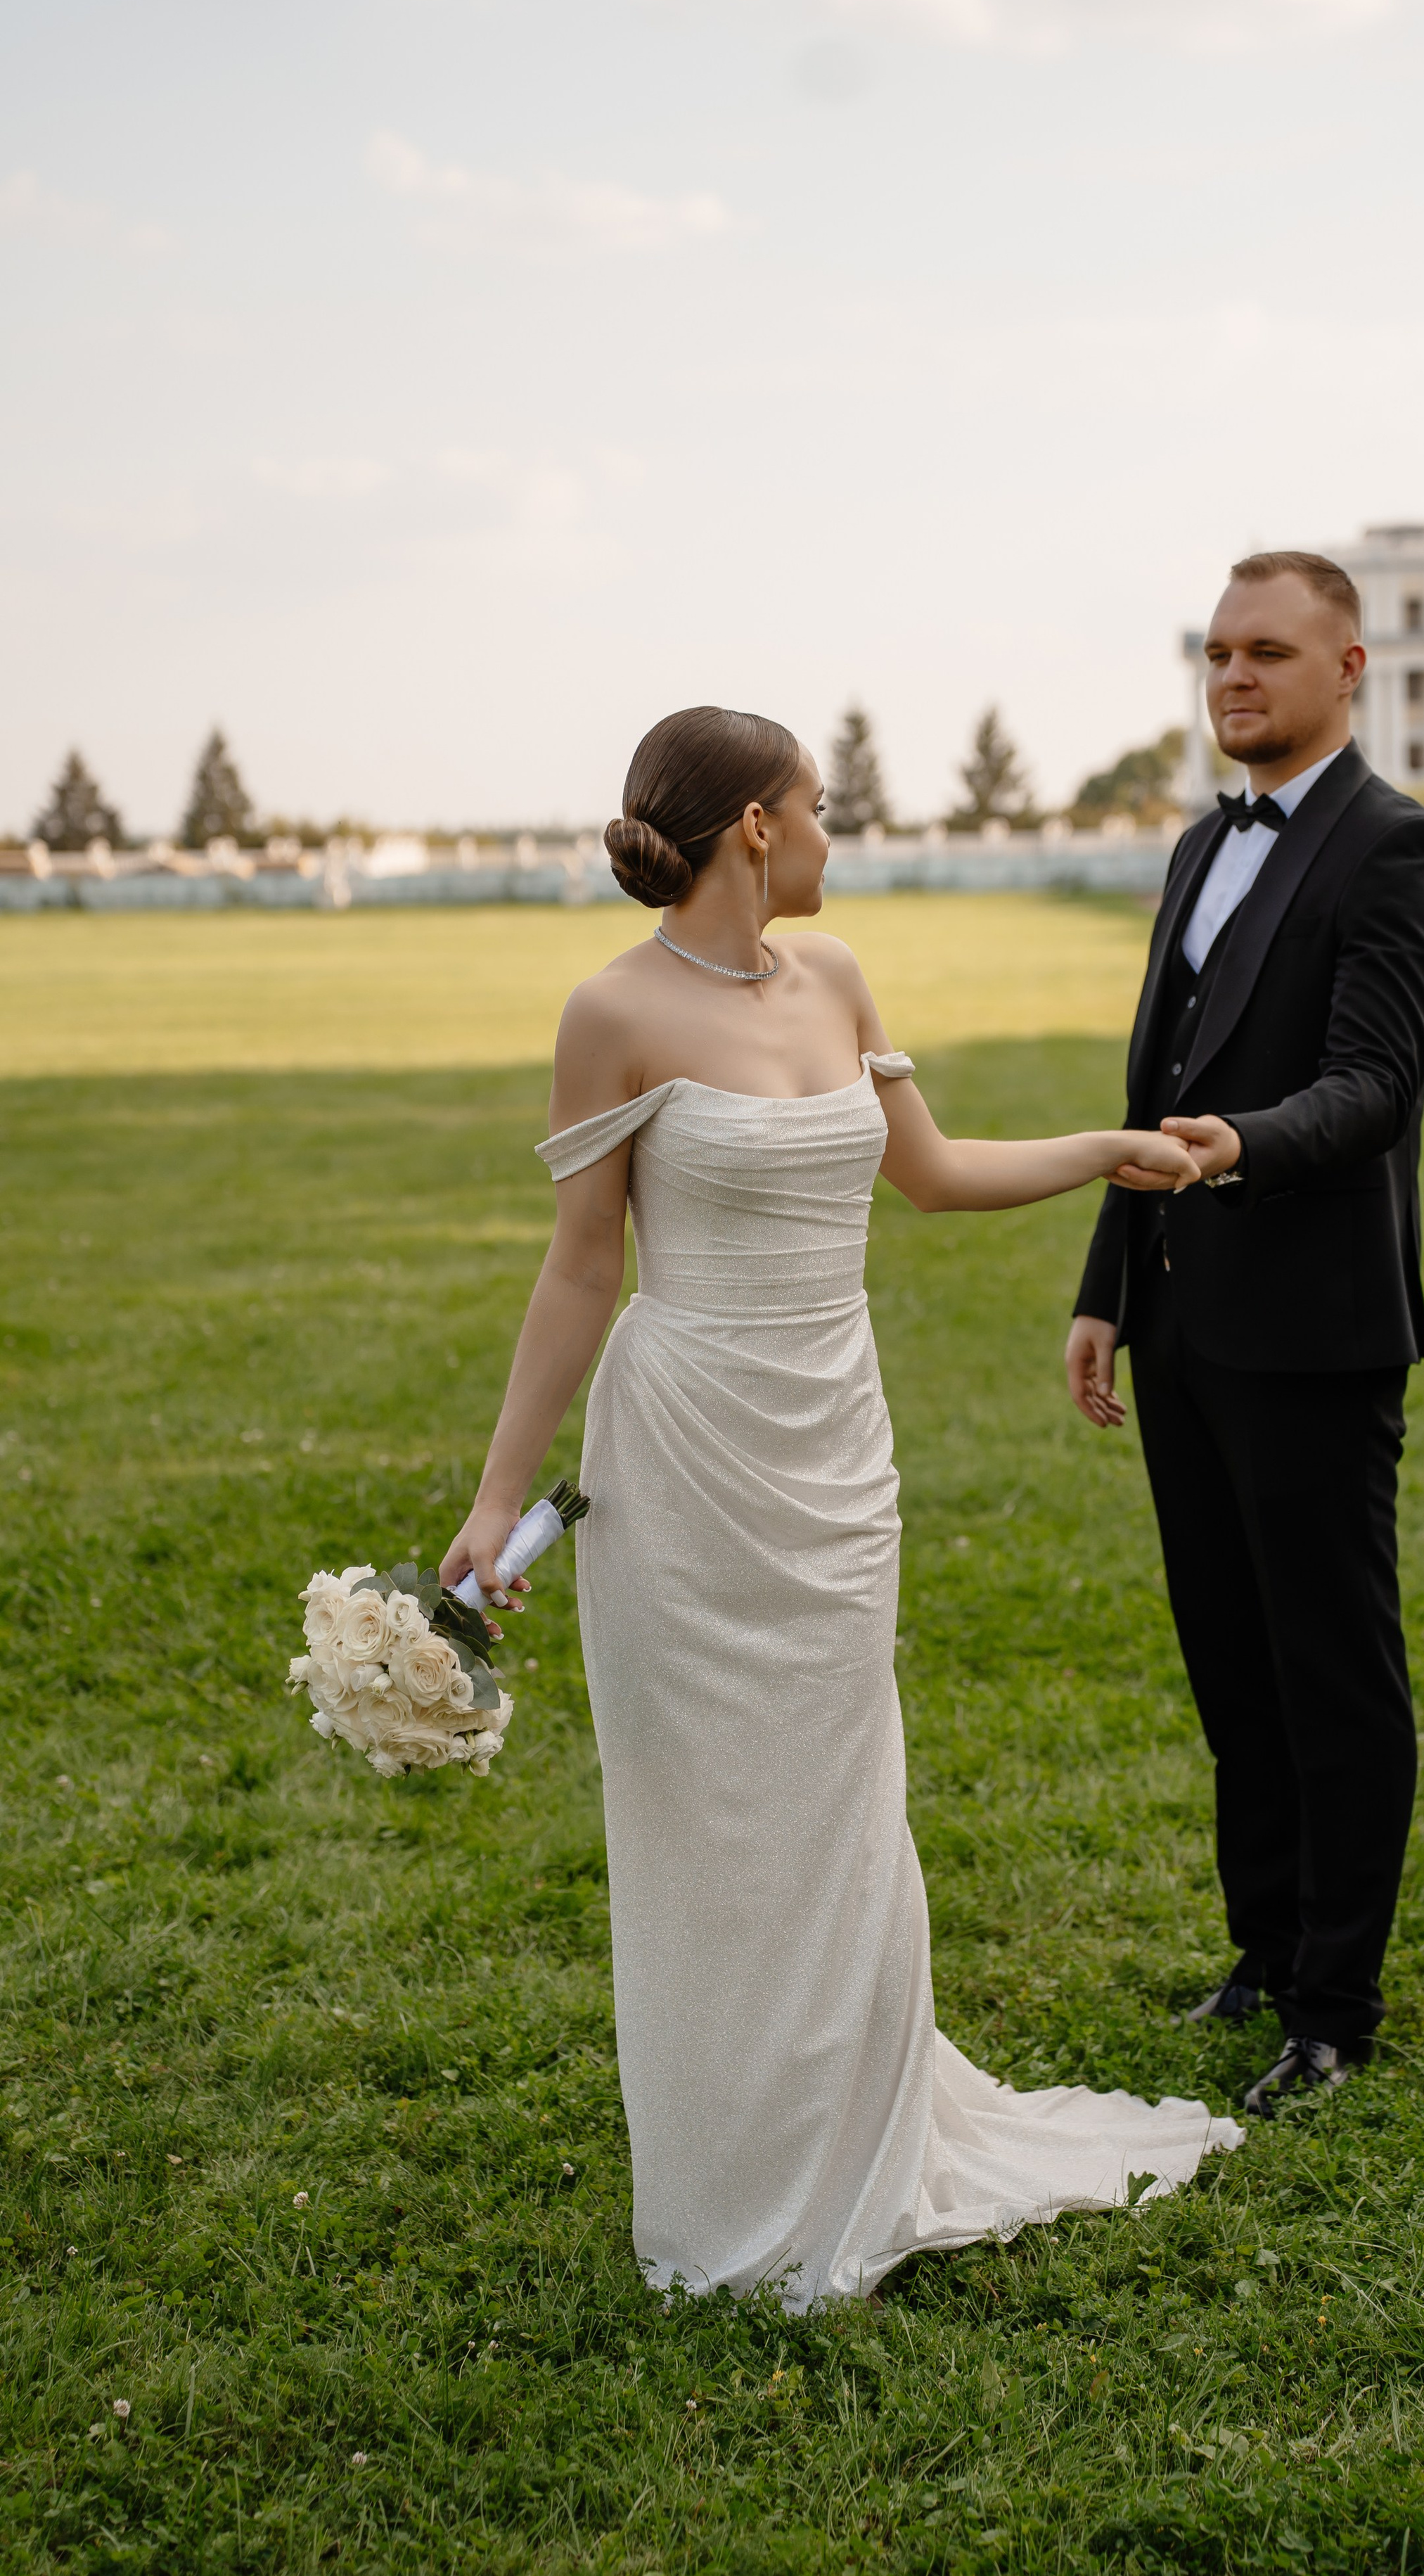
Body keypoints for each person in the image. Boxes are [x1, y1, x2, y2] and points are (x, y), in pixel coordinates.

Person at [443, 704, 1242, 2308]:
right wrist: (494, 1498)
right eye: (815, 806)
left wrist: (1104, 1149)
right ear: (752, 825)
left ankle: (859, 2135)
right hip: (688, 1452)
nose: (829, 832)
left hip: (834, 1445)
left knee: (836, 1796)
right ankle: (732, 2175)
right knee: (709, 1818)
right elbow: (582, 1265)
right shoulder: (609, 1012)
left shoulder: (839, 978)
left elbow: (928, 1176)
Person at [1066, 553, 1424, 2117]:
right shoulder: (1194, 843)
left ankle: (1332, 2003)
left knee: (1330, 1672)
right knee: (1229, 1664)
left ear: (1346, 665)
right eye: (1217, 652)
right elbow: (1149, 1075)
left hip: (1311, 1329)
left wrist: (1235, 1144)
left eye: (1266, 653)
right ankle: (1259, 1947)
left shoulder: (1398, 850)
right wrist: (1108, 1288)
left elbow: (1374, 1087)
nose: (1232, 678)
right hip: (1181, 1321)